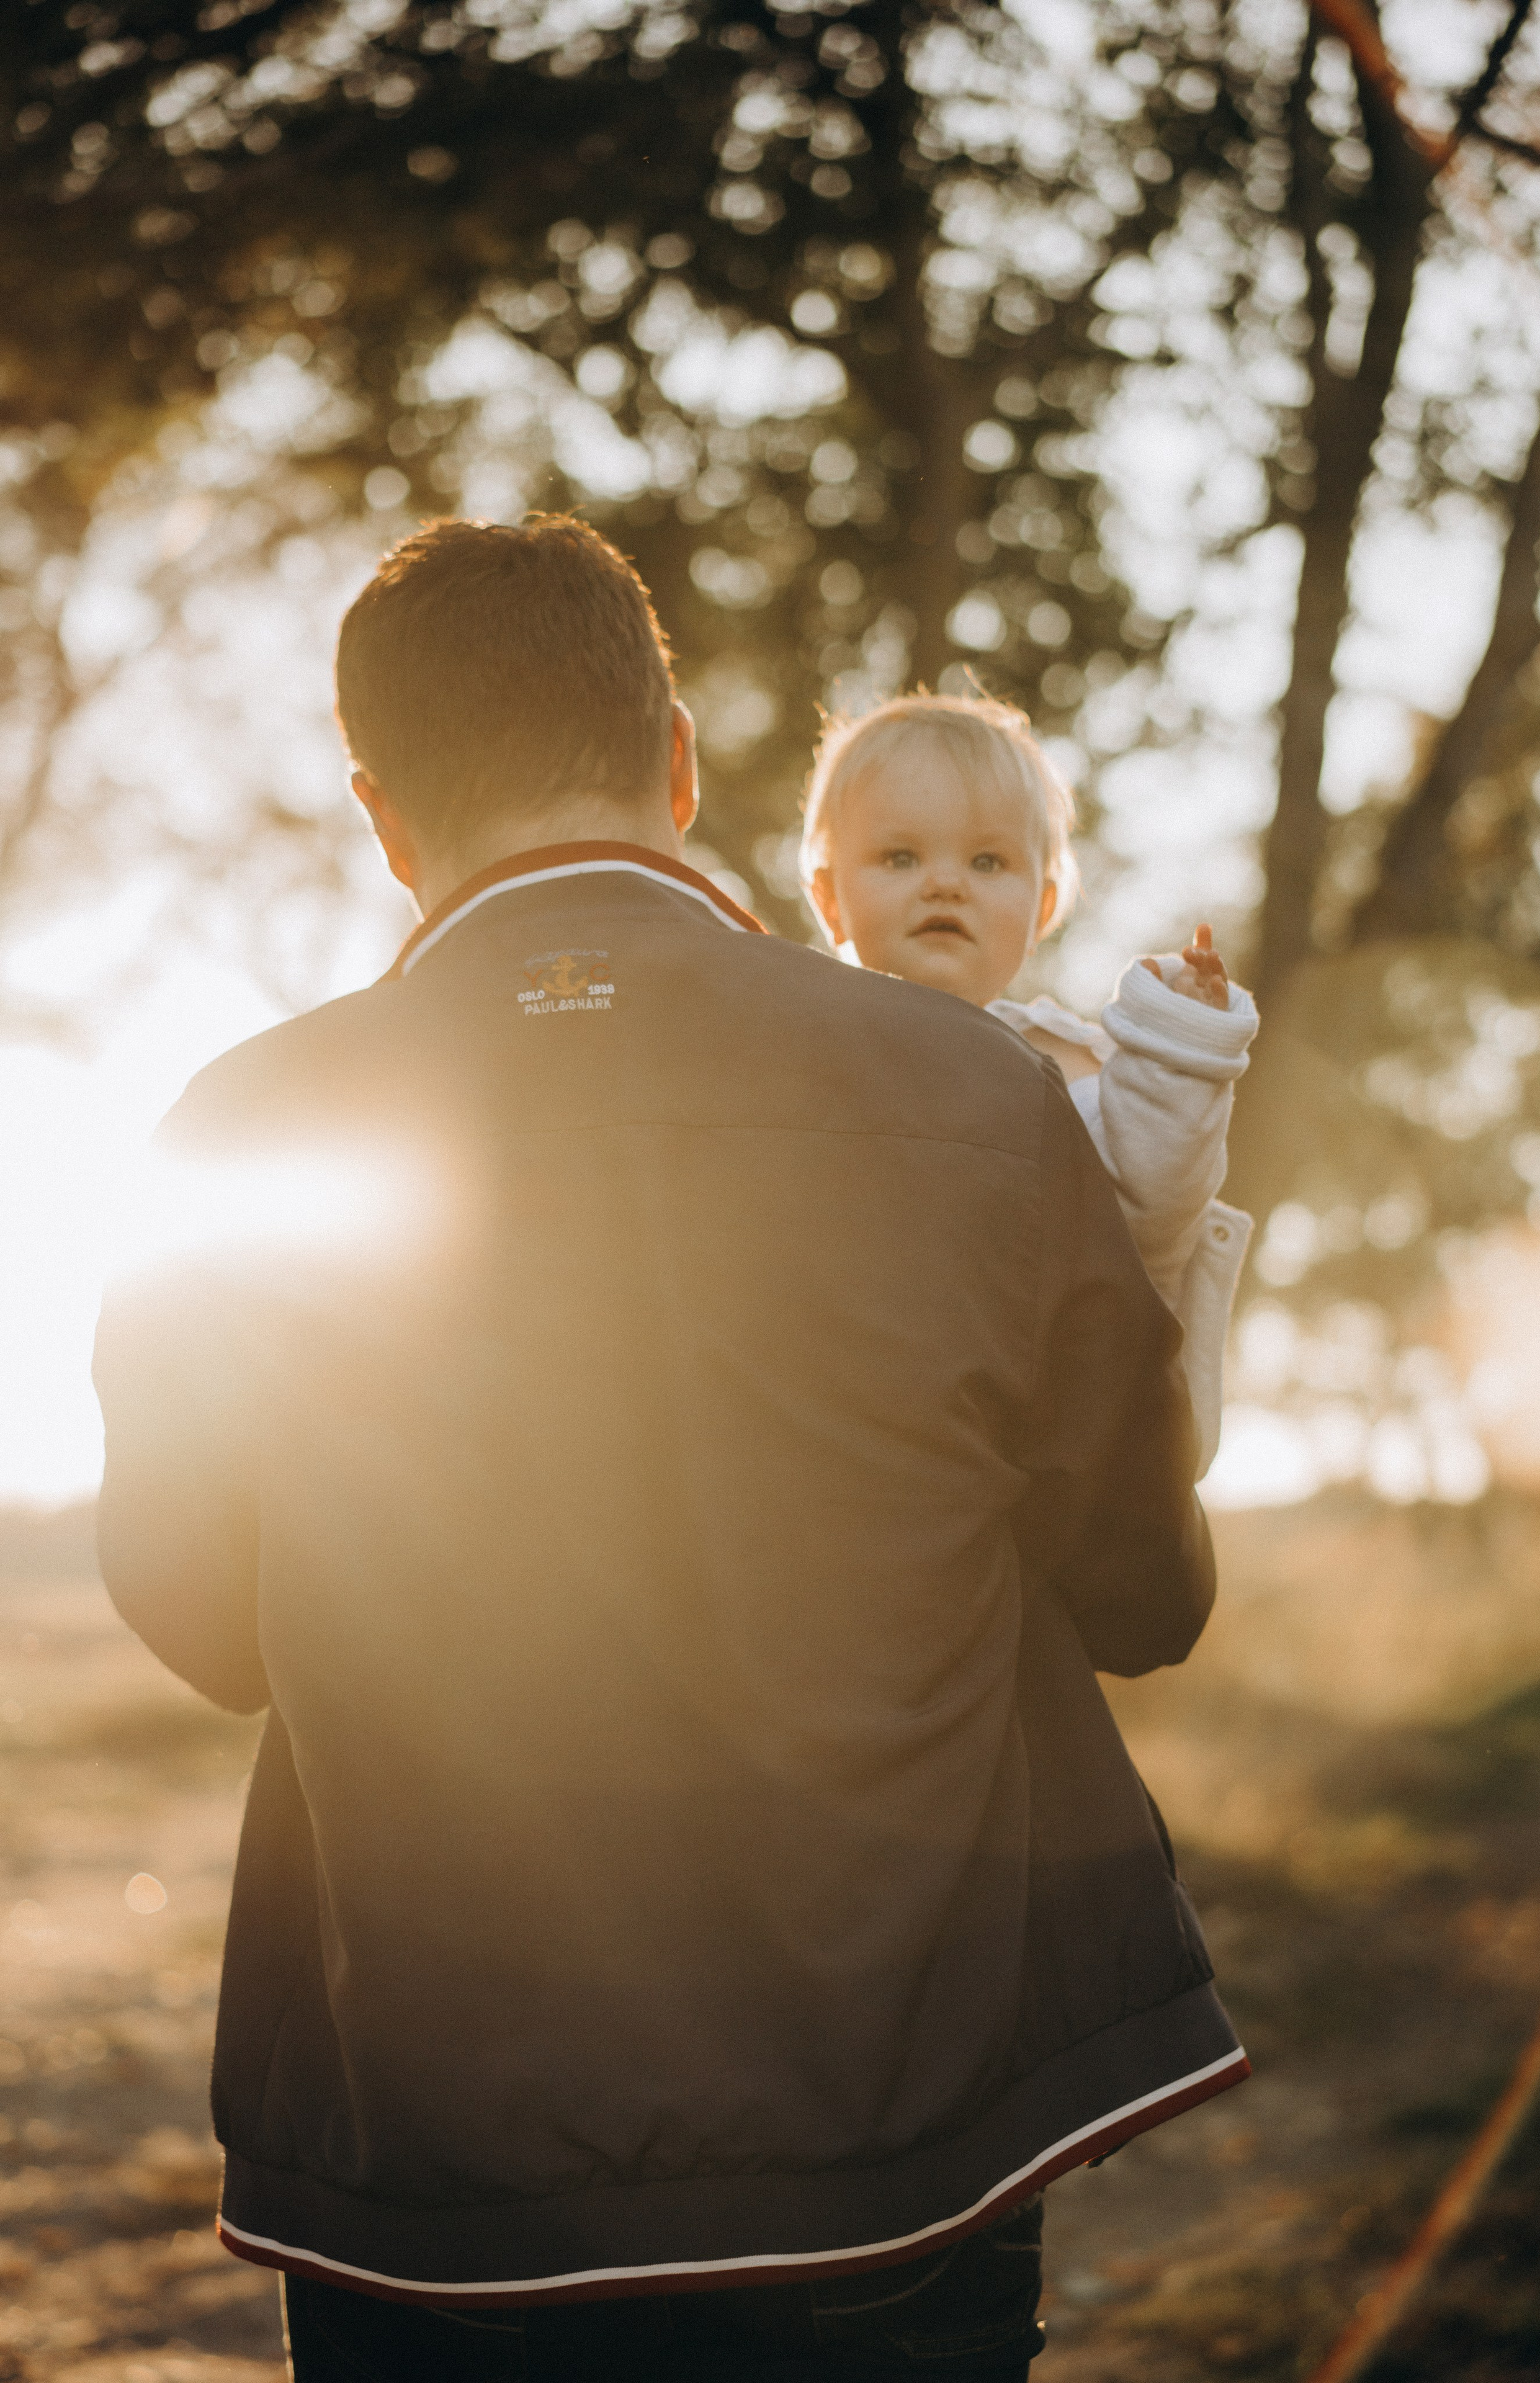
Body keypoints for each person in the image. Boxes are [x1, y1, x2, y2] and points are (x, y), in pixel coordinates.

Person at [94, 518, 1248, 2382]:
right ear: (683, 764)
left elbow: (203, 1614)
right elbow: (1142, 1591)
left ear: (385, 818)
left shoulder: (239, 1130)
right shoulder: (971, 1091)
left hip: (437, 2149)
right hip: (893, 2136)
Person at [801, 693, 1259, 1477]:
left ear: (1042, 905)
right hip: (849, 1441)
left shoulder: (1061, 1070)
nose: (945, 884)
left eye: (987, 863)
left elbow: (1152, 1207)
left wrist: (1179, 1048)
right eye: (901, 857)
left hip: (1038, 1453)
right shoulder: (800, 1053)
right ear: (828, 897)